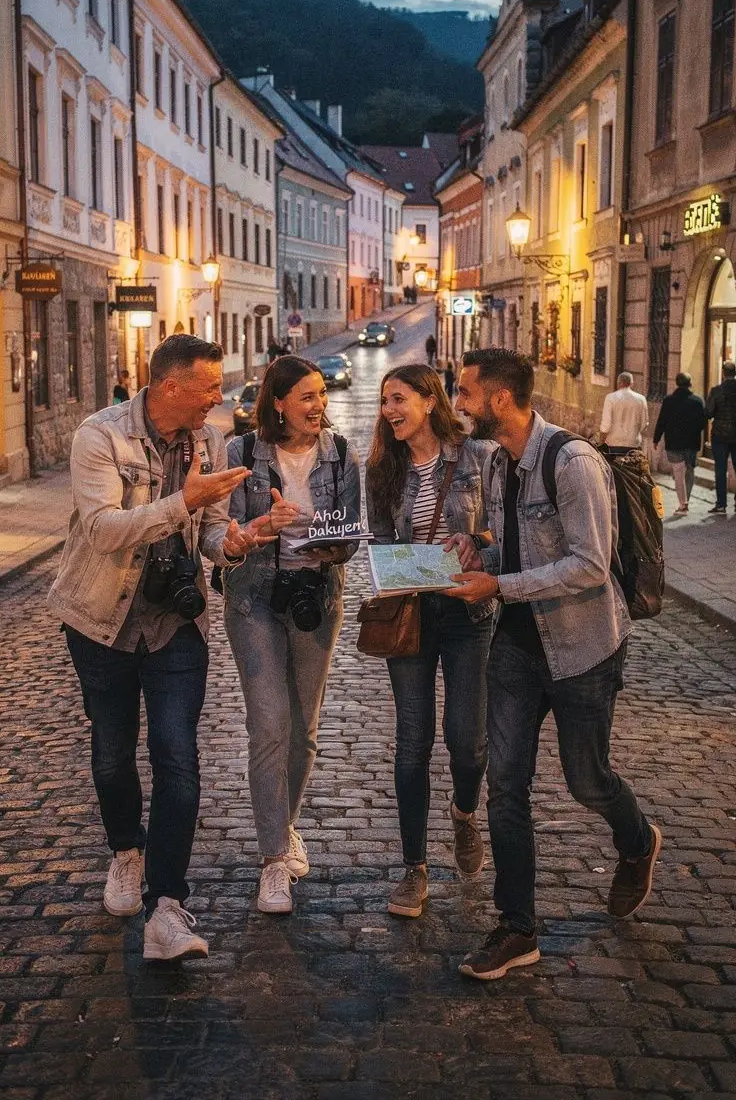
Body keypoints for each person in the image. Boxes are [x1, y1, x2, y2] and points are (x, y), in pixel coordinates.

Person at [49, 335, 278, 962]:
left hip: (176, 623)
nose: (218, 397)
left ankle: (167, 908)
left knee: (178, 758)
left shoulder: (211, 439)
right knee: (111, 757)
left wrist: (234, 542)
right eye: (209, 387)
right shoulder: (100, 436)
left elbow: (206, 534)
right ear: (170, 386)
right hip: (101, 618)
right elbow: (101, 532)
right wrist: (185, 500)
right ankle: (127, 849)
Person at [447, 348, 660, 982]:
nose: (458, 403)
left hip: (581, 647)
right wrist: (478, 548)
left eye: (465, 392)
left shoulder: (572, 462)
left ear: (501, 400)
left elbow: (590, 564)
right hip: (514, 647)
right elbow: (511, 541)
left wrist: (500, 588)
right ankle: (518, 928)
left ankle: (638, 840)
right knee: (506, 787)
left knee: (585, 780)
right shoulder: (497, 463)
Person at [223, 357, 362, 915]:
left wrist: (324, 538)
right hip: (255, 596)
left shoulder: (342, 453)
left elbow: (351, 529)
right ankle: (274, 859)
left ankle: (286, 823)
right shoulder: (241, 455)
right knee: (270, 725)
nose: (318, 406)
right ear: (277, 403)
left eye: (321, 395)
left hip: (316, 597)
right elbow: (226, 530)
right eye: (306, 396)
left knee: (303, 728)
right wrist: (262, 529)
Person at [365, 364, 495, 919]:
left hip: (468, 610)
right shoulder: (382, 468)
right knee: (412, 738)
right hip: (412, 614)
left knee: (467, 738)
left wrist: (478, 540)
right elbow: (381, 538)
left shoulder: (476, 456)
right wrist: (383, 563)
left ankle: (465, 813)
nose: (390, 410)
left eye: (398, 399)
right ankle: (413, 868)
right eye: (385, 402)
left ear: (427, 400)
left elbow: (503, 530)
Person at [653, 373, 706, 515]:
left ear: (676, 383)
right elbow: (702, 424)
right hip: (691, 443)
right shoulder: (697, 401)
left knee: (678, 473)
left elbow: (662, 421)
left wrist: (656, 439)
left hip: (674, 443)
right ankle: (686, 500)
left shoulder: (669, 401)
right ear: (690, 383)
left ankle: (682, 503)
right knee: (689, 471)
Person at [705, 360, 736, 514]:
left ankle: (721, 504)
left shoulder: (716, 391)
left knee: (720, 469)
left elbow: (708, 413)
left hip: (719, 436)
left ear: (723, 373)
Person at [599, 371, 649, 453]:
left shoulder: (610, 398)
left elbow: (606, 424)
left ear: (618, 383)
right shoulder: (641, 399)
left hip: (613, 443)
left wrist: (601, 441)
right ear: (631, 383)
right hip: (633, 444)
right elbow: (644, 424)